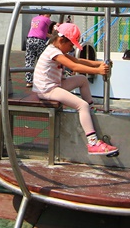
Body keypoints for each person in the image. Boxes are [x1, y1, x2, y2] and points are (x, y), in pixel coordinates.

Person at [32, 22, 118, 156]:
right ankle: (92, 142)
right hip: (47, 90)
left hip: (55, 85)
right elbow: (74, 67)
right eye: (71, 45)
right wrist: (98, 71)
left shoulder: (57, 49)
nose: (71, 48)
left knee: (82, 80)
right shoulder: (53, 52)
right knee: (81, 105)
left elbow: (78, 61)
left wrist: (99, 64)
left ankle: (91, 108)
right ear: (61, 40)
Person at [24, 13, 55, 87]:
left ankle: (29, 81)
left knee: (29, 60)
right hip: (39, 41)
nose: (49, 17)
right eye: (48, 15)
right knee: (42, 60)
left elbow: (42, 32)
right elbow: (54, 26)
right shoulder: (46, 19)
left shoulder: (34, 19)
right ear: (44, 14)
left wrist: (52, 36)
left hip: (30, 39)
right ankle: (41, 80)